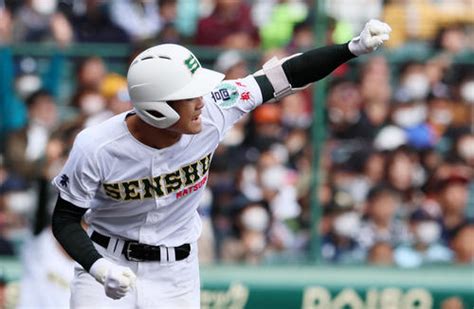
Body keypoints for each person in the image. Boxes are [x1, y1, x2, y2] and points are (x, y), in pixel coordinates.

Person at [51, 19, 391, 308]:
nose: (201, 101)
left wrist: (351, 48)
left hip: (177, 275)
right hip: (106, 265)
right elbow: (65, 220)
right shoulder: (96, 146)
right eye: (190, 96)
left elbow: (285, 74)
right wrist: (97, 267)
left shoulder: (217, 106)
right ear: (159, 107)